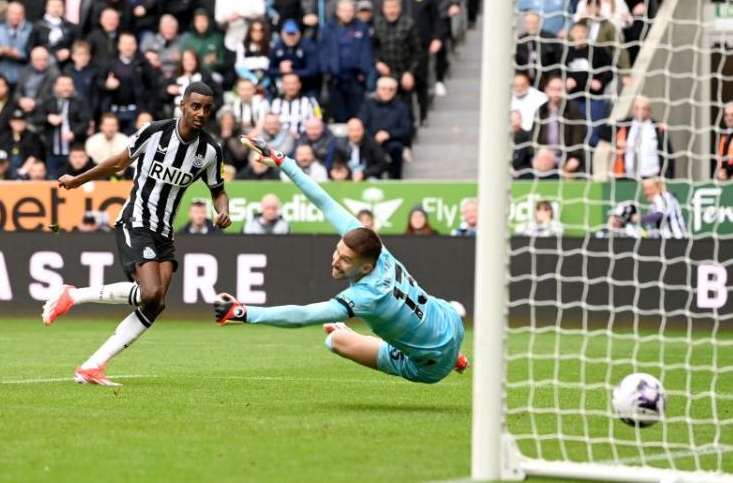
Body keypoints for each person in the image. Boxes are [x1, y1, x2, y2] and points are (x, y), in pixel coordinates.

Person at [214, 136, 467, 385]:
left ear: (367, 268)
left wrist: (244, 313)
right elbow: (324, 202)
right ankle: (452, 347)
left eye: (345, 260)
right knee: (438, 312)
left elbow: (301, 316)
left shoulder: (365, 296)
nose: (335, 261)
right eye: (337, 251)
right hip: (450, 321)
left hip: (430, 367)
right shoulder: (374, 247)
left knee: (334, 341)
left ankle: (448, 357)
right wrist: (283, 161)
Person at [42, 82, 232, 386]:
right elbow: (119, 162)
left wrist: (223, 210)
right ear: (182, 105)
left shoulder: (210, 151)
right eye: (195, 106)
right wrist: (78, 181)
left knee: (156, 304)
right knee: (150, 292)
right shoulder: (154, 132)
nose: (201, 113)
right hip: (136, 220)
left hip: (165, 231)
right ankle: (73, 295)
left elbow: (218, 190)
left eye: (207, 108)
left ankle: (92, 366)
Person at [716, 102, 733, 181]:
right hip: (726, 181)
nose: (729, 118)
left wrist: (726, 172)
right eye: (726, 115)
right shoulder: (725, 136)